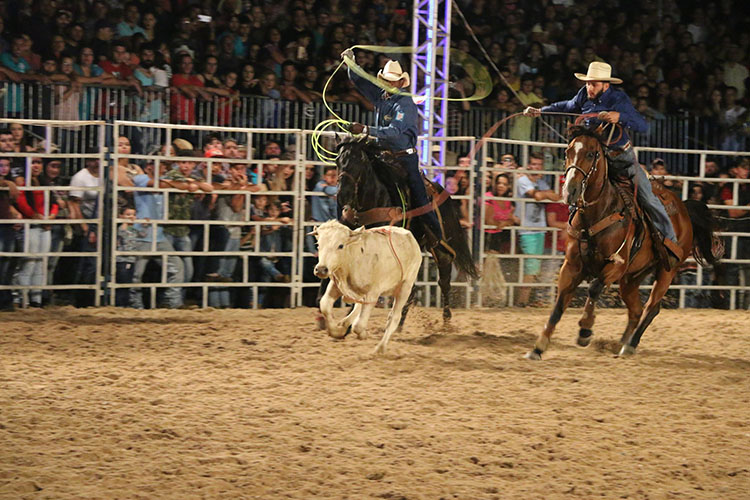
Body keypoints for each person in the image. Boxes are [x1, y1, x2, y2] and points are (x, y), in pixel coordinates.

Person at [524, 61, 682, 270]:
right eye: (588, 83)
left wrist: (620, 117)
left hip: (621, 158)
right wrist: (541, 111)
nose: (589, 87)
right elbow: (566, 107)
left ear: (605, 85)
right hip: (595, 159)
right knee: (576, 186)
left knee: (647, 197)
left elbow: (642, 124)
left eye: (594, 84)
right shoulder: (583, 95)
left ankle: (671, 243)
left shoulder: (619, 99)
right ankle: (578, 233)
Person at [341, 51, 443, 245]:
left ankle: (434, 234)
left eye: (391, 81)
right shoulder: (382, 96)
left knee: (418, 192)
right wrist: (351, 63)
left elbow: (395, 131)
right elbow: (361, 82)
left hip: (404, 157)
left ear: (399, 83)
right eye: (386, 80)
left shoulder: (405, 102)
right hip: (382, 153)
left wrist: (365, 129)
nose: (388, 83)